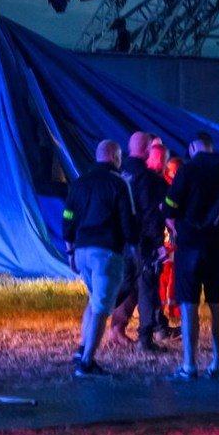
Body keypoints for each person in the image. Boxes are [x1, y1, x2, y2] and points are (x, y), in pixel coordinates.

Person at [163, 131, 219, 379]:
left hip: (189, 246)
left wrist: (173, 220)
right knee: (218, 305)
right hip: (218, 246)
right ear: (211, 147)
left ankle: (190, 365)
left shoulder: (187, 171)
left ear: (192, 148)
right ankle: (217, 365)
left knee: (189, 306)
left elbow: (170, 205)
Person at [63, 139, 135, 377]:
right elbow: (128, 221)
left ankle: (82, 348)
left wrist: (70, 249)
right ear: (115, 157)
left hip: (81, 250)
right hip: (106, 251)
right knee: (103, 308)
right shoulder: (119, 184)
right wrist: (135, 247)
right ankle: (87, 362)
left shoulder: (79, 183)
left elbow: (68, 216)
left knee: (94, 300)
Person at [107, 131, 171, 352]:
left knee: (127, 285)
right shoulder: (147, 178)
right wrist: (158, 244)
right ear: (147, 150)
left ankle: (107, 323)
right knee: (147, 287)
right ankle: (146, 340)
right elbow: (151, 214)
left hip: (119, 240)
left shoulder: (119, 172)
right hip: (142, 242)